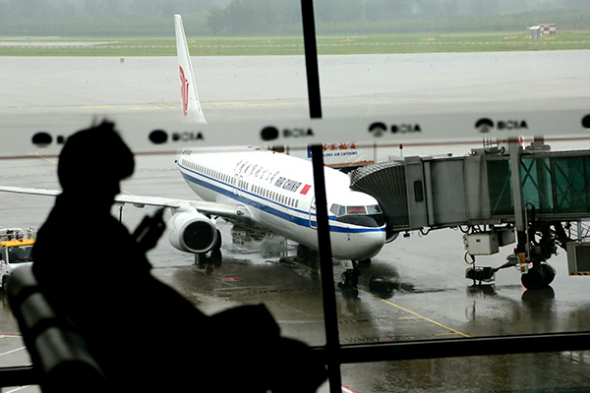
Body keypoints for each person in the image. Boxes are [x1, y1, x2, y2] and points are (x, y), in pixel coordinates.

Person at [32, 120, 326, 392]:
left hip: (161, 347)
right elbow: (138, 302)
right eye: (112, 180)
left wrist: (136, 250)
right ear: (87, 179)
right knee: (280, 345)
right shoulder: (88, 233)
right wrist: (206, 334)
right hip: (164, 358)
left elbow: (122, 290)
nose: (116, 191)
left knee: (260, 327)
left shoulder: (66, 231)